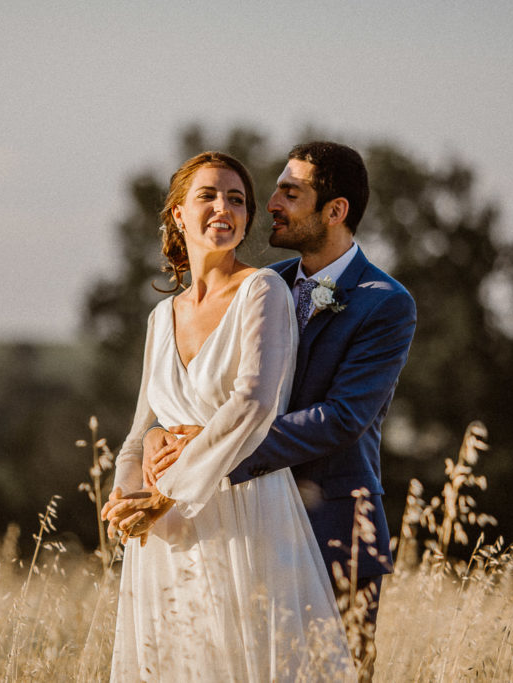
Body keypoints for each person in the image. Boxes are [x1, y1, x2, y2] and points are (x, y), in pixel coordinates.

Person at [128, 141, 416, 680]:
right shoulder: (261, 285)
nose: (273, 203)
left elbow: (342, 419)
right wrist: (160, 439)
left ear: (335, 211)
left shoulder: (385, 301)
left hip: (333, 523)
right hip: (242, 523)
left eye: (291, 192)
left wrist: (210, 453)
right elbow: (196, 394)